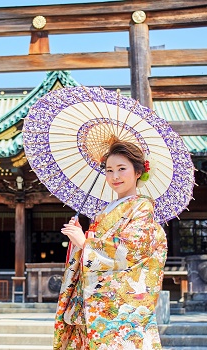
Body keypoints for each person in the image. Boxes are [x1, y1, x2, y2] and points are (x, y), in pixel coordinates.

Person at [53, 140, 168, 350]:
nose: (115, 176)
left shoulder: (142, 208)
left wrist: (86, 243)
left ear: (138, 172)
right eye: (109, 170)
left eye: (122, 169)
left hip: (118, 308)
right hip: (91, 302)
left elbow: (131, 249)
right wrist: (80, 239)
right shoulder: (105, 211)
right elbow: (97, 247)